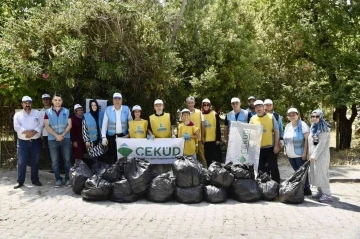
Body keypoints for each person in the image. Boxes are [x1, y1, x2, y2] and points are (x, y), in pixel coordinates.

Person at [13, 96, 44, 189]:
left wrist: (33, 132)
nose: (27, 104)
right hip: (23, 142)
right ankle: (20, 181)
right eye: (25, 103)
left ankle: (35, 180)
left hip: (36, 141)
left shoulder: (38, 113)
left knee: (35, 161)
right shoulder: (18, 115)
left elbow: (41, 124)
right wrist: (27, 132)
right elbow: (16, 127)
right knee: (21, 162)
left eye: (29, 103)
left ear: (31, 104)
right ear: (22, 104)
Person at [44, 94, 72, 188]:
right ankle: (58, 179)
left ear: (62, 101)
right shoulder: (47, 112)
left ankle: (68, 179)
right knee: (55, 161)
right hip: (53, 139)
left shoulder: (67, 111)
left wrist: (62, 135)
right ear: (52, 101)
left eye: (59, 100)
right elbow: (47, 126)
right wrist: (56, 136)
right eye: (55, 100)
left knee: (67, 160)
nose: (57, 102)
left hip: (65, 139)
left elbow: (70, 125)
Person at [249, 100, 280, 183]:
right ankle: (265, 188)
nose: (258, 108)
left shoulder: (271, 117)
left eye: (260, 106)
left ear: (263, 107)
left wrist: (276, 145)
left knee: (274, 168)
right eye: (256, 107)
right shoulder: (252, 118)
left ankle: (276, 187)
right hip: (258, 148)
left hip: (270, 148)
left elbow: (277, 131)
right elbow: (250, 133)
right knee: (261, 170)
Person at [283, 107, 311, 196]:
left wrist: (305, 153)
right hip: (290, 154)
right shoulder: (287, 126)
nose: (292, 116)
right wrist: (285, 149)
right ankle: (300, 188)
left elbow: (307, 139)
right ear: (287, 116)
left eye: (294, 114)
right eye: (289, 115)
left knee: (302, 172)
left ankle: (306, 189)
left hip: (300, 154)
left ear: (297, 115)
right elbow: (285, 139)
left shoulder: (302, 124)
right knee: (296, 171)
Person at [308, 109, 332, 202]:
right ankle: (320, 192)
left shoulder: (324, 128)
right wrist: (310, 154)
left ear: (321, 117)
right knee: (315, 173)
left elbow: (321, 143)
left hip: (321, 155)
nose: (314, 118)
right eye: (313, 116)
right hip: (313, 154)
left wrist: (315, 155)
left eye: (317, 116)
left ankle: (327, 194)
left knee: (322, 173)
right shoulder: (313, 127)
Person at [101, 93, 132, 164]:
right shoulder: (108, 109)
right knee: (112, 155)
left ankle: (122, 171)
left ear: (121, 100)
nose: (117, 101)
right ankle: (114, 172)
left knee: (123, 155)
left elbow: (130, 122)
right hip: (111, 137)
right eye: (115, 99)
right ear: (113, 100)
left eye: (119, 99)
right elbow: (104, 123)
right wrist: (103, 136)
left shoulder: (126, 109)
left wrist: (130, 134)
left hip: (123, 136)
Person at [183, 96, 207, 167]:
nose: (190, 104)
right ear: (186, 103)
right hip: (188, 139)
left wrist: (202, 136)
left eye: (192, 103)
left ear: (194, 103)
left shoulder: (199, 112)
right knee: (189, 157)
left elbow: (202, 124)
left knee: (202, 156)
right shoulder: (183, 112)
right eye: (189, 103)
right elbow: (181, 125)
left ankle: (205, 171)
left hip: (198, 138)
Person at [201, 98, 222, 166]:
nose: (206, 106)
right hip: (205, 140)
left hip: (214, 140)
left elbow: (218, 127)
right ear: (202, 106)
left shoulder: (214, 114)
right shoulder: (200, 114)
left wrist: (218, 139)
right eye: (204, 105)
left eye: (207, 105)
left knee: (217, 158)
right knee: (207, 158)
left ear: (210, 106)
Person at [40, 94, 52, 167]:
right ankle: (52, 167)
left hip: (55, 134)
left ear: (50, 100)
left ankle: (60, 167)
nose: (45, 101)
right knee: (48, 151)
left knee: (57, 151)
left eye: (47, 99)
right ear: (42, 101)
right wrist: (40, 133)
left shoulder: (54, 109)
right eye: (44, 99)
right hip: (45, 134)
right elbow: (40, 124)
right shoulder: (40, 112)